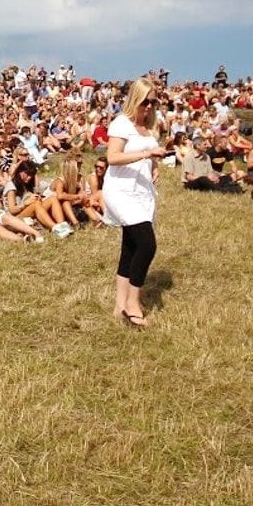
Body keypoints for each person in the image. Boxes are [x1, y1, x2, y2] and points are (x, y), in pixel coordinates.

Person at [105, 79, 167, 329]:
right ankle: (133, 302)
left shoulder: (149, 128)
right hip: (121, 190)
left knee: (130, 246)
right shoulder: (122, 123)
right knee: (147, 244)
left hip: (142, 191)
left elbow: (149, 155)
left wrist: (154, 167)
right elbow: (113, 157)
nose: (150, 107)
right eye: (146, 101)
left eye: (154, 102)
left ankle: (120, 305)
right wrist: (147, 155)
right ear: (136, 99)